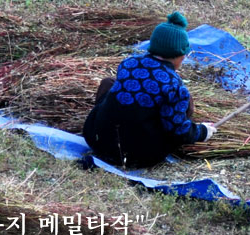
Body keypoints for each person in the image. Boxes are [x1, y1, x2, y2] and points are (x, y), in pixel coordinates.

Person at [83, 11, 216, 167]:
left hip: (97, 140)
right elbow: (178, 130)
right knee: (186, 102)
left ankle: (106, 124)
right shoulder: (174, 86)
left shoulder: (128, 64)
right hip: (138, 155)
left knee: (109, 83)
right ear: (179, 55)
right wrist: (202, 131)